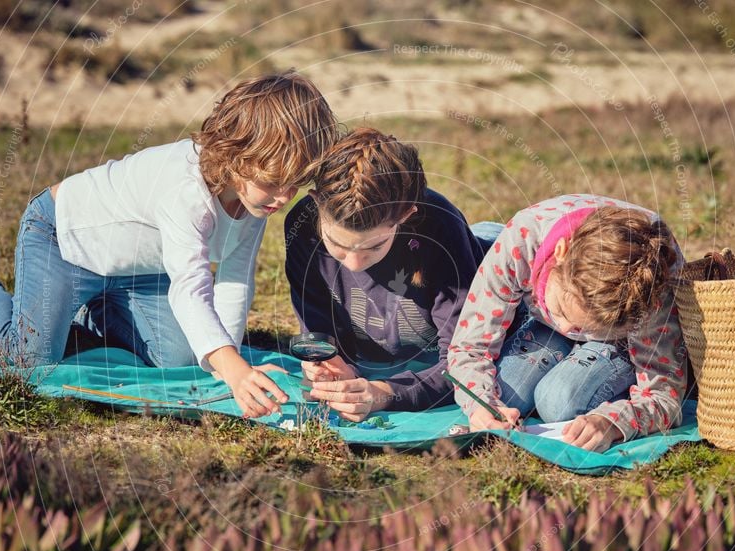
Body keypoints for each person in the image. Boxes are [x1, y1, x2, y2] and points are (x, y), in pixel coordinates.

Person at [0, 71, 338, 419]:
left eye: (295, 182)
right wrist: (235, 369)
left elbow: (236, 282)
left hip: (139, 272)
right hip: (62, 241)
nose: (284, 197)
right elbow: (190, 287)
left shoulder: (256, 203)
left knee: (184, 358)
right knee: (28, 361)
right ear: (239, 155)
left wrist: (228, 366)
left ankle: (93, 310)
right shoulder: (185, 188)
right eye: (275, 181)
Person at [284, 127, 503, 421]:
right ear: (316, 204)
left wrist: (384, 393)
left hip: (488, 261)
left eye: (373, 247)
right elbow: (320, 329)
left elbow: (465, 360)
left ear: (405, 215)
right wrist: (331, 363)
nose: (353, 264)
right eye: (337, 245)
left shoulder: (441, 229)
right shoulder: (302, 226)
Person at [447, 194, 687, 452]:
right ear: (560, 252)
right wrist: (481, 406)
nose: (565, 328)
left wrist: (614, 422)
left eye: (588, 326)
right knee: (505, 397)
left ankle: (599, 344)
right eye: (562, 308)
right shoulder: (521, 240)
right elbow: (469, 346)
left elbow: (664, 393)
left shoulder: (650, 285)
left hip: (618, 342)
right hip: (541, 323)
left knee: (559, 402)